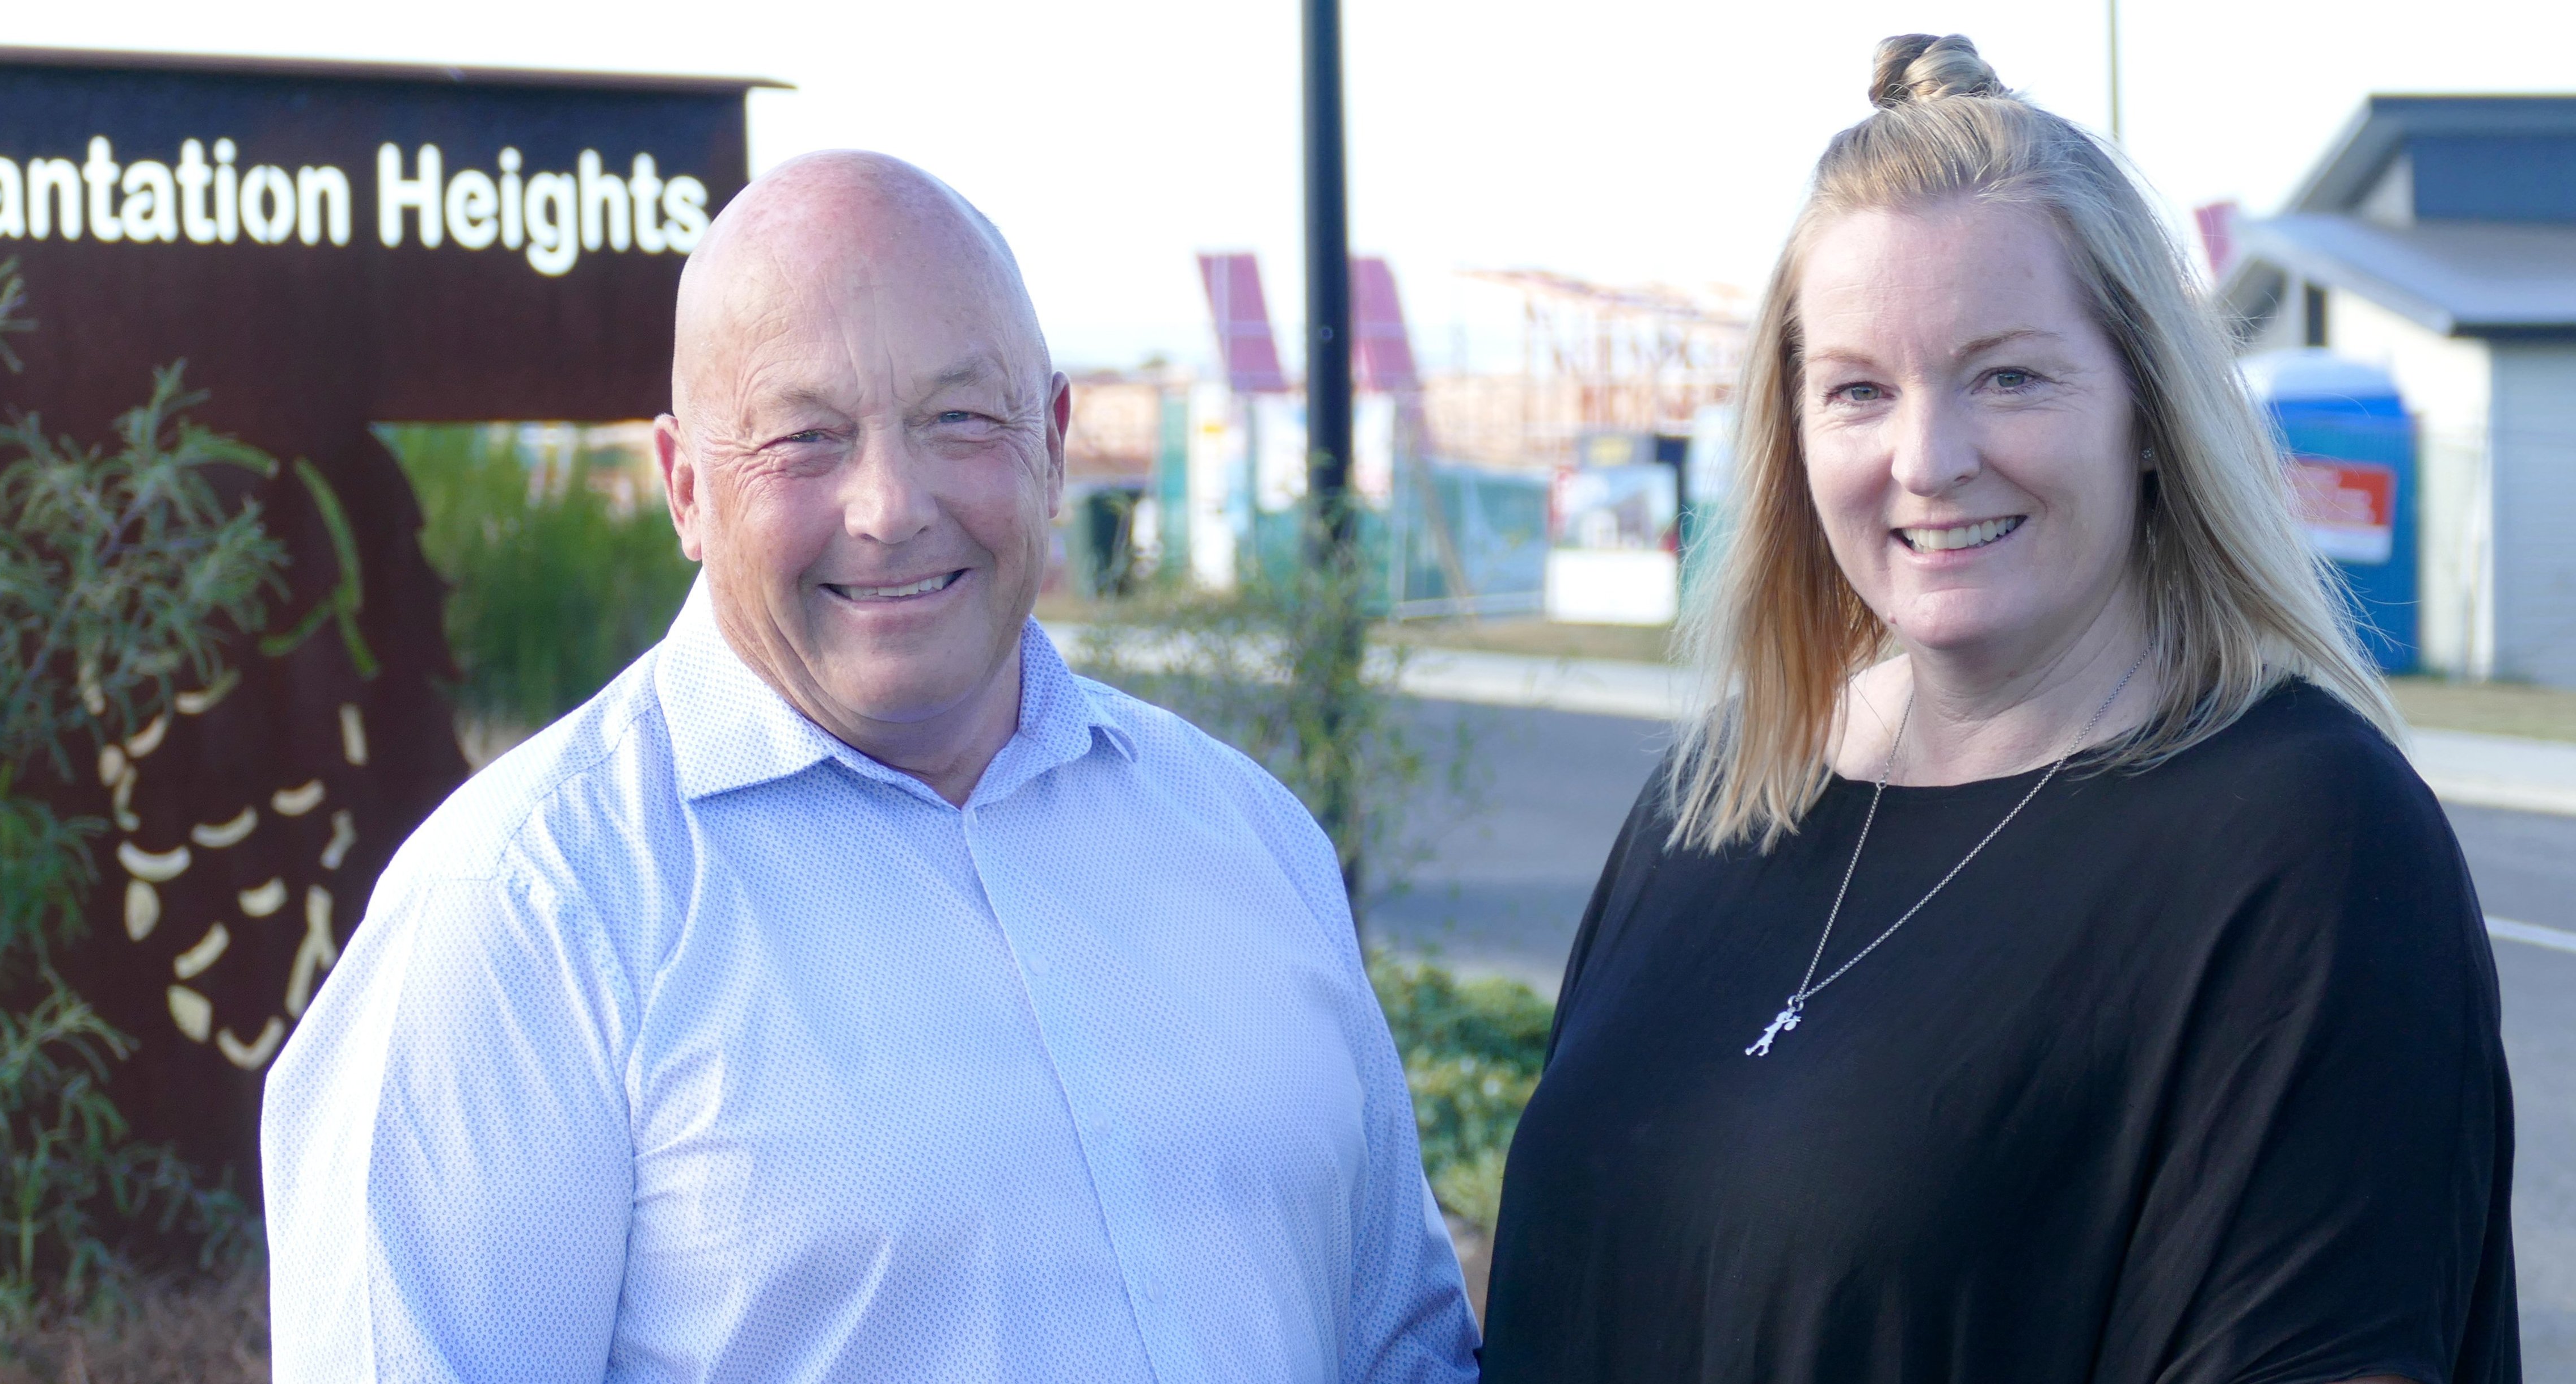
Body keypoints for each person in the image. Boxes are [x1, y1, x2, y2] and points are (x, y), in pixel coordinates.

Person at [262, 151, 1478, 1383]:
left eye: (959, 418)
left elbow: (1402, 1346)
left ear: (1052, 442)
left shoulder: (1248, 839)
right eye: (805, 438)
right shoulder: (525, 916)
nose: (890, 504)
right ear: (686, 487)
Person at [1482, 35, 2516, 1384]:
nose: (1927, 457)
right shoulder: (1713, 796)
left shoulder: (2304, 840)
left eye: (2008, 374)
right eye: (1857, 389)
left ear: (2149, 409)